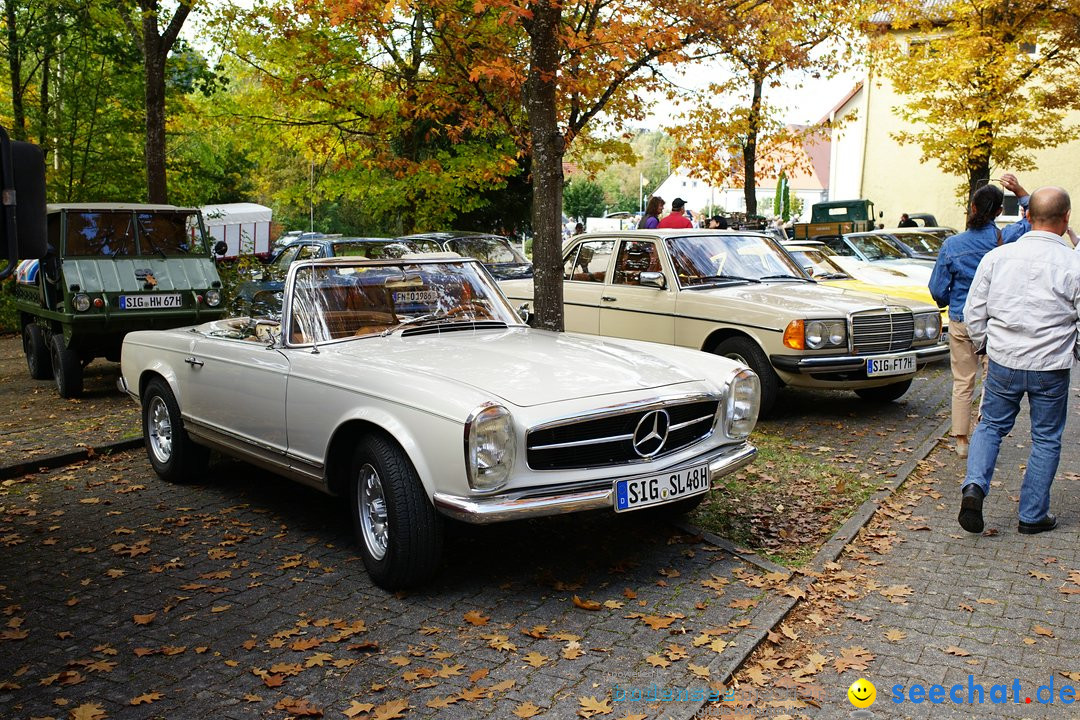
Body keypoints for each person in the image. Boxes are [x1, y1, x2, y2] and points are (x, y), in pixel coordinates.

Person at [957, 187, 1080, 535]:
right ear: (1067, 217)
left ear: (1026, 216)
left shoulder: (997, 257)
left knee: (991, 426)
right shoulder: (1073, 262)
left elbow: (973, 312)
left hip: (1004, 361)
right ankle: (1032, 514)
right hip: (1051, 366)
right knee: (1045, 438)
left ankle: (974, 488)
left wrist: (985, 346)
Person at [929, 180, 1029, 459]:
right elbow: (1035, 219)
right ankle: (985, 432)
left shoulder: (952, 244)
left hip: (961, 320)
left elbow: (937, 288)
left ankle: (961, 440)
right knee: (991, 381)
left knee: (963, 381)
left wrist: (950, 302)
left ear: (972, 208)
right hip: (994, 322)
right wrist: (1021, 193)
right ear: (998, 211)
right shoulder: (1006, 238)